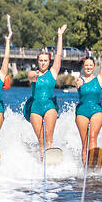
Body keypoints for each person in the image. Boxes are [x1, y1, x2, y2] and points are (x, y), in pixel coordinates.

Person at [24, 25, 67, 159]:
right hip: (35, 107)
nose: (43, 63)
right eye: (41, 61)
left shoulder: (53, 73)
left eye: (45, 61)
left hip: (49, 106)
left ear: (49, 62)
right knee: (41, 142)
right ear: (37, 61)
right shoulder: (32, 73)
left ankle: (51, 160)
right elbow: (30, 76)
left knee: (49, 139)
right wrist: (35, 77)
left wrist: (60, 36)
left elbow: (59, 55)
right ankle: (42, 161)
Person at [74, 30, 102, 165]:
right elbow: (76, 83)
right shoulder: (79, 80)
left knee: (93, 137)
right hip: (82, 111)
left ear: (94, 67)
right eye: (86, 65)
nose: (88, 67)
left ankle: (95, 164)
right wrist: (78, 83)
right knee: (84, 142)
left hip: (96, 110)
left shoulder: (99, 79)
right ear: (83, 67)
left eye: (91, 65)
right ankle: (85, 166)